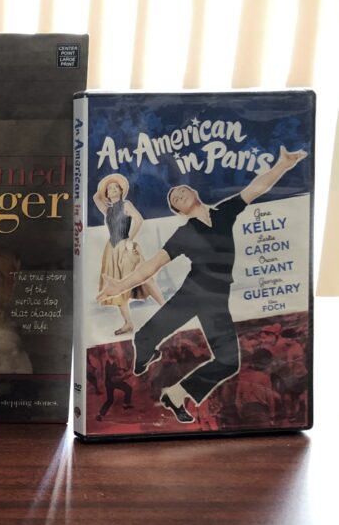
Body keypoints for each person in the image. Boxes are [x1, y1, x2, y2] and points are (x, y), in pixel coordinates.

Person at [96, 146, 308, 423]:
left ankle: (176, 393)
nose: (179, 195)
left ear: (194, 193)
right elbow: (152, 265)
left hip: (218, 297)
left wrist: (283, 165)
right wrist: (120, 286)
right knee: (151, 333)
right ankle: (144, 347)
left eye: (182, 191)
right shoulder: (185, 232)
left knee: (228, 361)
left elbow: (256, 188)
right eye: (174, 198)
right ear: (178, 211)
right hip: (194, 291)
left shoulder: (224, 213)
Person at [92, 173, 164, 336]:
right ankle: (128, 323)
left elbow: (139, 220)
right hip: (112, 249)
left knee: (145, 278)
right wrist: (104, 186)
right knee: (117, 286)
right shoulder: (107, 210)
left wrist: (129, 240)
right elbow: (96, 197)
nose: (112, 189)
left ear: (121, 190)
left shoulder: (126, 204)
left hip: (126, 245)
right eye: (109, 189)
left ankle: (167, 308)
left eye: (115, 187)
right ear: (107, 194)